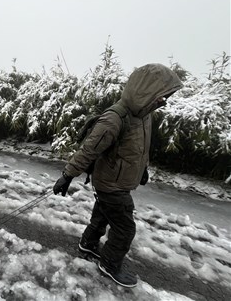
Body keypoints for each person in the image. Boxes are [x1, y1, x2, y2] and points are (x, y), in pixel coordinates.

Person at [53, 63, 183, 288]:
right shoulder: (115, 118)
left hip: (118, 180)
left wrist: (143, 169)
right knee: (125, 228)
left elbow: (140, 147)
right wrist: (67, 175)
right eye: (161, 97)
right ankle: (110, 264)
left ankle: (88, 243)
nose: (164, 101)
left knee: (103, 213)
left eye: (166, 97)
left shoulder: (144, 115)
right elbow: (89, 150)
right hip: (110, 183)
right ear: (146, 92)